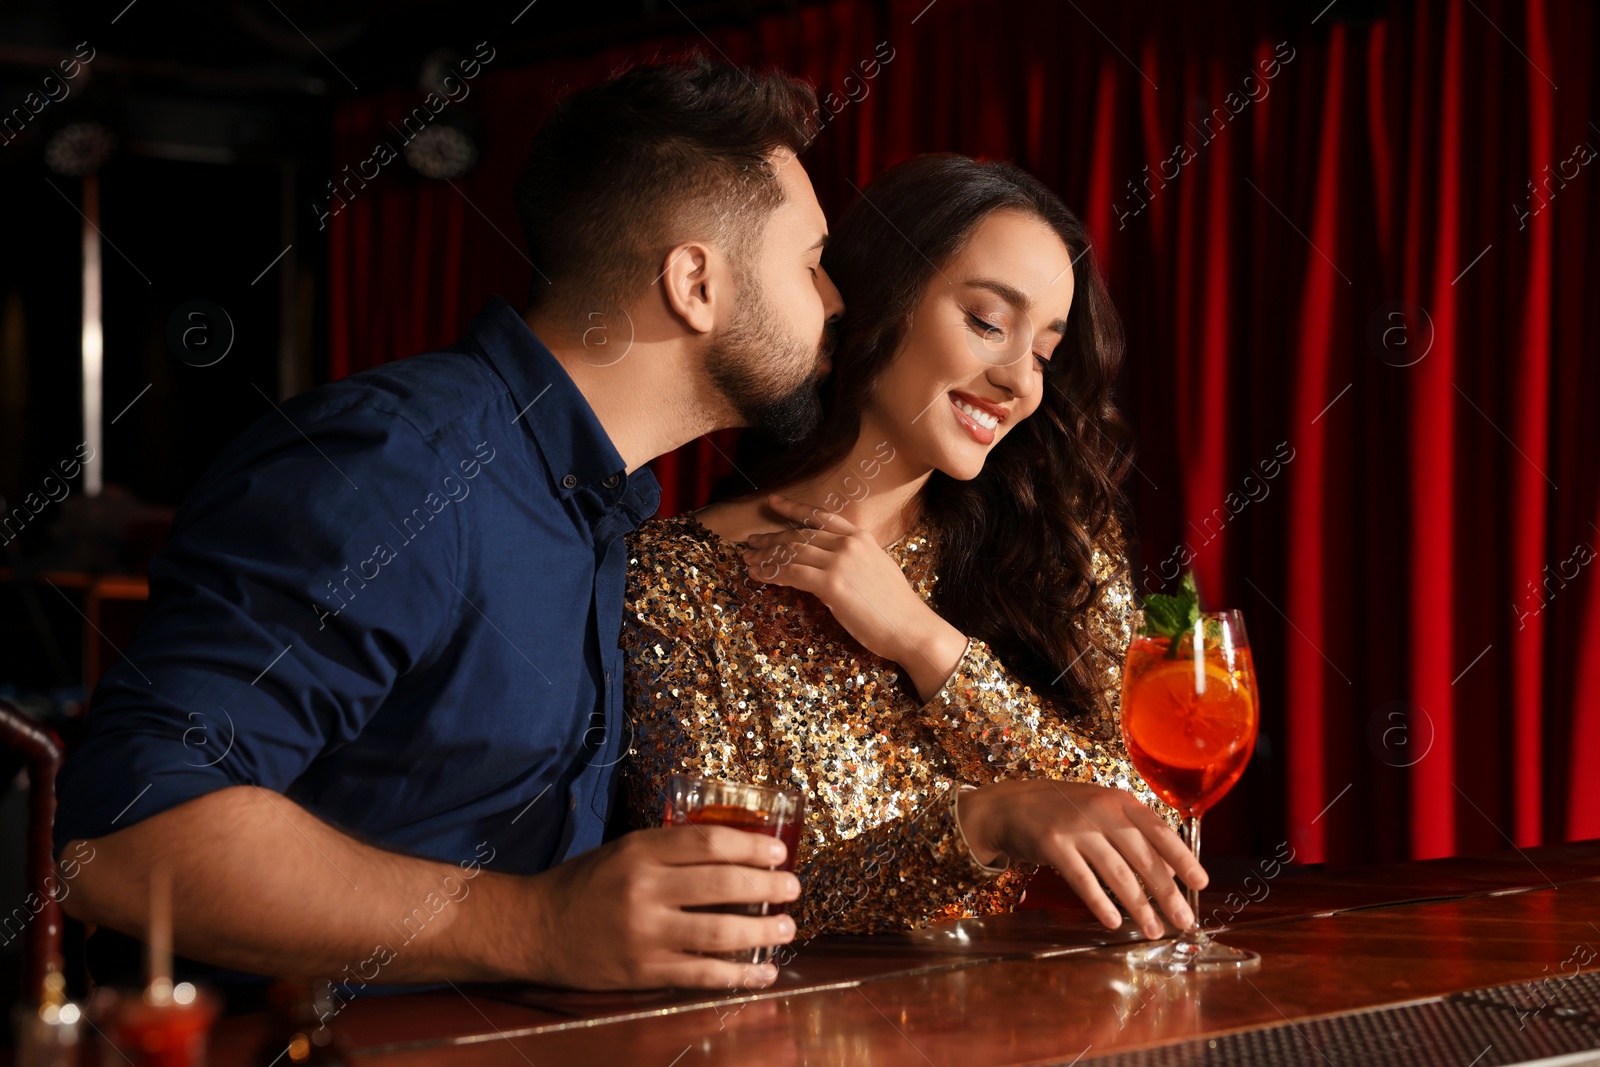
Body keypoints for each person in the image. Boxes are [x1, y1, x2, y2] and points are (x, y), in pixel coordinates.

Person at [53, 57, 843, 992]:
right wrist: (537, 923)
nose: (834, 301)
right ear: (695, 284)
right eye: (812, 261)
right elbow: (119, 839)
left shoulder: (603, 507)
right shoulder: (401, 462)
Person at [619, 154, 1206, 941]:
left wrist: (929, 646)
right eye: (989, 322)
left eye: (1044, 356)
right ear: (881, 297)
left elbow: (1156, 834)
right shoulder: (677, 579)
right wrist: (983, 820)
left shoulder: (1055, 551)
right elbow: (732, 910)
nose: (1019, 382)